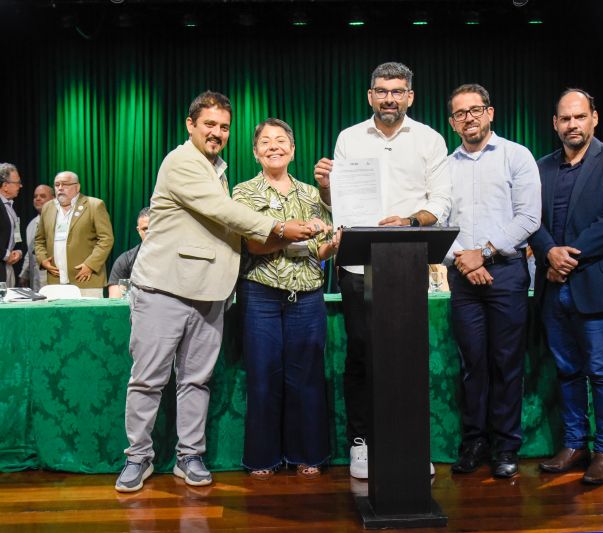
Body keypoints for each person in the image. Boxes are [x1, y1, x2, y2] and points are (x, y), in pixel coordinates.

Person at [116, 91, 320, 493]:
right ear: (190, 125)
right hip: (165, 288)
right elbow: (224, 211)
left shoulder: (218, 168)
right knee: (148, 380)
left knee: (196, 380)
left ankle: (189, 455)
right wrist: (280, 228)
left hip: (210, 294)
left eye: (224, 127)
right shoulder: (181, 162)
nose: (217, 133)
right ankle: (137, 458)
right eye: (209, 124)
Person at [313, 61, 450, 479]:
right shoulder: (349, 139)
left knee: (407, 356)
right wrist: (324, 188)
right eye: (381, 90)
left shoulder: (429, 139)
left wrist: (409, 222)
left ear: (410, 96)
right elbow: (341, 208)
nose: (389, 98)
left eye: (397, 91)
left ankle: (409, 443)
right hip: (356, 264)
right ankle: (362, 442)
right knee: (360, 355)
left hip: (407, 264)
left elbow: (441, 202)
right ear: (369, 95)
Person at [530, 88, 603, 485]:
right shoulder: (541, 167)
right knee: (566, 370)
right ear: (555, 123)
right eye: (565, 118)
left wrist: (564, 257)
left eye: (579, 117)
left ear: (594, 117)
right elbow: (530, 218)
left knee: (601, 371)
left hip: (595, 284)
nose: (572, 124)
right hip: (552, 287)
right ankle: (575, 445)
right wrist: (548, 252)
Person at [444, 84, 541, 478]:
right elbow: (438, 221)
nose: (469, 117)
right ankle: (474, 444)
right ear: (452, 123)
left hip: (505, 272)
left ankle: (505, 447)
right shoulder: (444, 166)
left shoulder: (517, 156)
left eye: (476, 109)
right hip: (462, 277)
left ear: (491, 112)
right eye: (461, 113)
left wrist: (482, 252)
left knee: (506, 364)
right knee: (473, 366)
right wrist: (465, 262)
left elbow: (529, 218)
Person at [233, 118, 335, 481]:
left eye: (281, 141)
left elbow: (320, 250)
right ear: (256, 151)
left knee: (306, 377)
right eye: (265, 141)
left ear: (293, 150)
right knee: (263, 376)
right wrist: (291, 232)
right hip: (260, 293)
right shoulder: (242, 193)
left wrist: (331, 246)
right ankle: (263, 457)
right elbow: (252, 244)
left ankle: (308, 453)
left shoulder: (311, 194)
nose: (273, 146)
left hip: (307, 294)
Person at [34, 171, 114, 297]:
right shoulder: (47, 207)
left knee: (87, 317)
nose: (60, 188)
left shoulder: (94, 205)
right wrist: (43, 260)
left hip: (85, 279)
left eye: (65, 184)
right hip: (55, 282)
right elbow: (39, 240)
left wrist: (90, 265)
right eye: (57, 185)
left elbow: (106, 239)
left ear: (77, 187)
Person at [19, 184, 55, 292]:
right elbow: (30, 251)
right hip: (35, 279)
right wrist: (24, 274)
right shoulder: (31, 224)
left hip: (53, 278)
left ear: (53, 199)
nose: (37, 199)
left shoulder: (58, 220)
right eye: (35, 196)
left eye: (43, 196)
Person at [107, 207, 150, 298]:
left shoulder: (176, 258)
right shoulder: (125, 260)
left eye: (154, 228)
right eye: (145, 229)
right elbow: (116, 301)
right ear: (138, 230)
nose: (149, 233)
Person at [0, 163, 24, 286]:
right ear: (5, 185)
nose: (20, 186)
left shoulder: (10, 206)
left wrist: (18, 251)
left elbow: (14, 234)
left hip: (7, 266)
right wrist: (5, 255)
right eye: (17, 182)